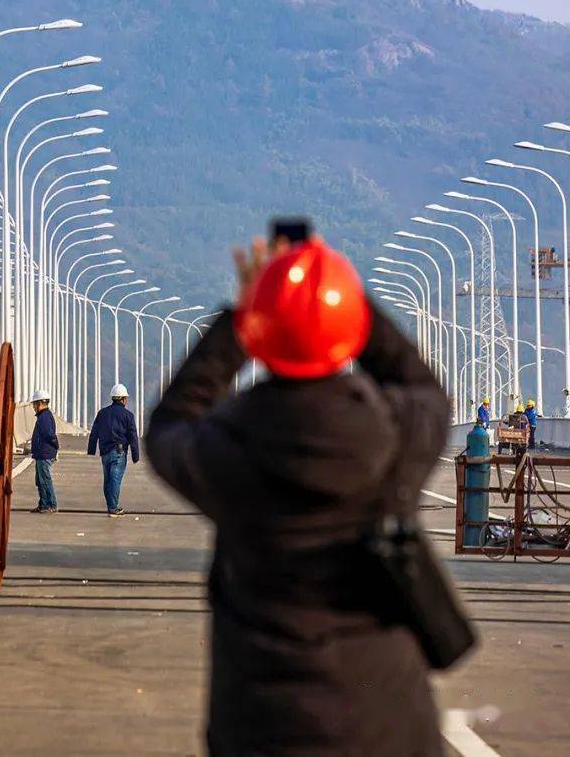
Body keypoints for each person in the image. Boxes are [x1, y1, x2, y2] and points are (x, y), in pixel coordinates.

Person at [147, 234, 450, 757]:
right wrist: (345, 301)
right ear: (350, 330)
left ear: (259, 334)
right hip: (387, 722)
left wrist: (241, 319)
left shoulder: (229, 448)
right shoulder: (396, 435)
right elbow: (422, 386)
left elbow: (172, 422)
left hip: (263, 723)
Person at [87, 381, 140, 516]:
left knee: (108, 479)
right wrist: (135, 455)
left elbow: (94, 432)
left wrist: (91, 449)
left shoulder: (102, 413)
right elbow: (132, 436)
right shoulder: (128, 415)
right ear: (123, 399)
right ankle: (113, 508)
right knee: (115, 479)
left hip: (104, 452)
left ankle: (111, 505)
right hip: (119, 452)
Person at [30, 388, 59, 512]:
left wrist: (55, 445)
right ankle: (43, 504)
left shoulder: (44, 417)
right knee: (40, 481)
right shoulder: (44, 416)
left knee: (45, 480)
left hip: (44, 454)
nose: (33, 407)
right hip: (42, 454)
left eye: (34, 404)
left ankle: (51, 505)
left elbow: (49, 434)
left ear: (39, 403)